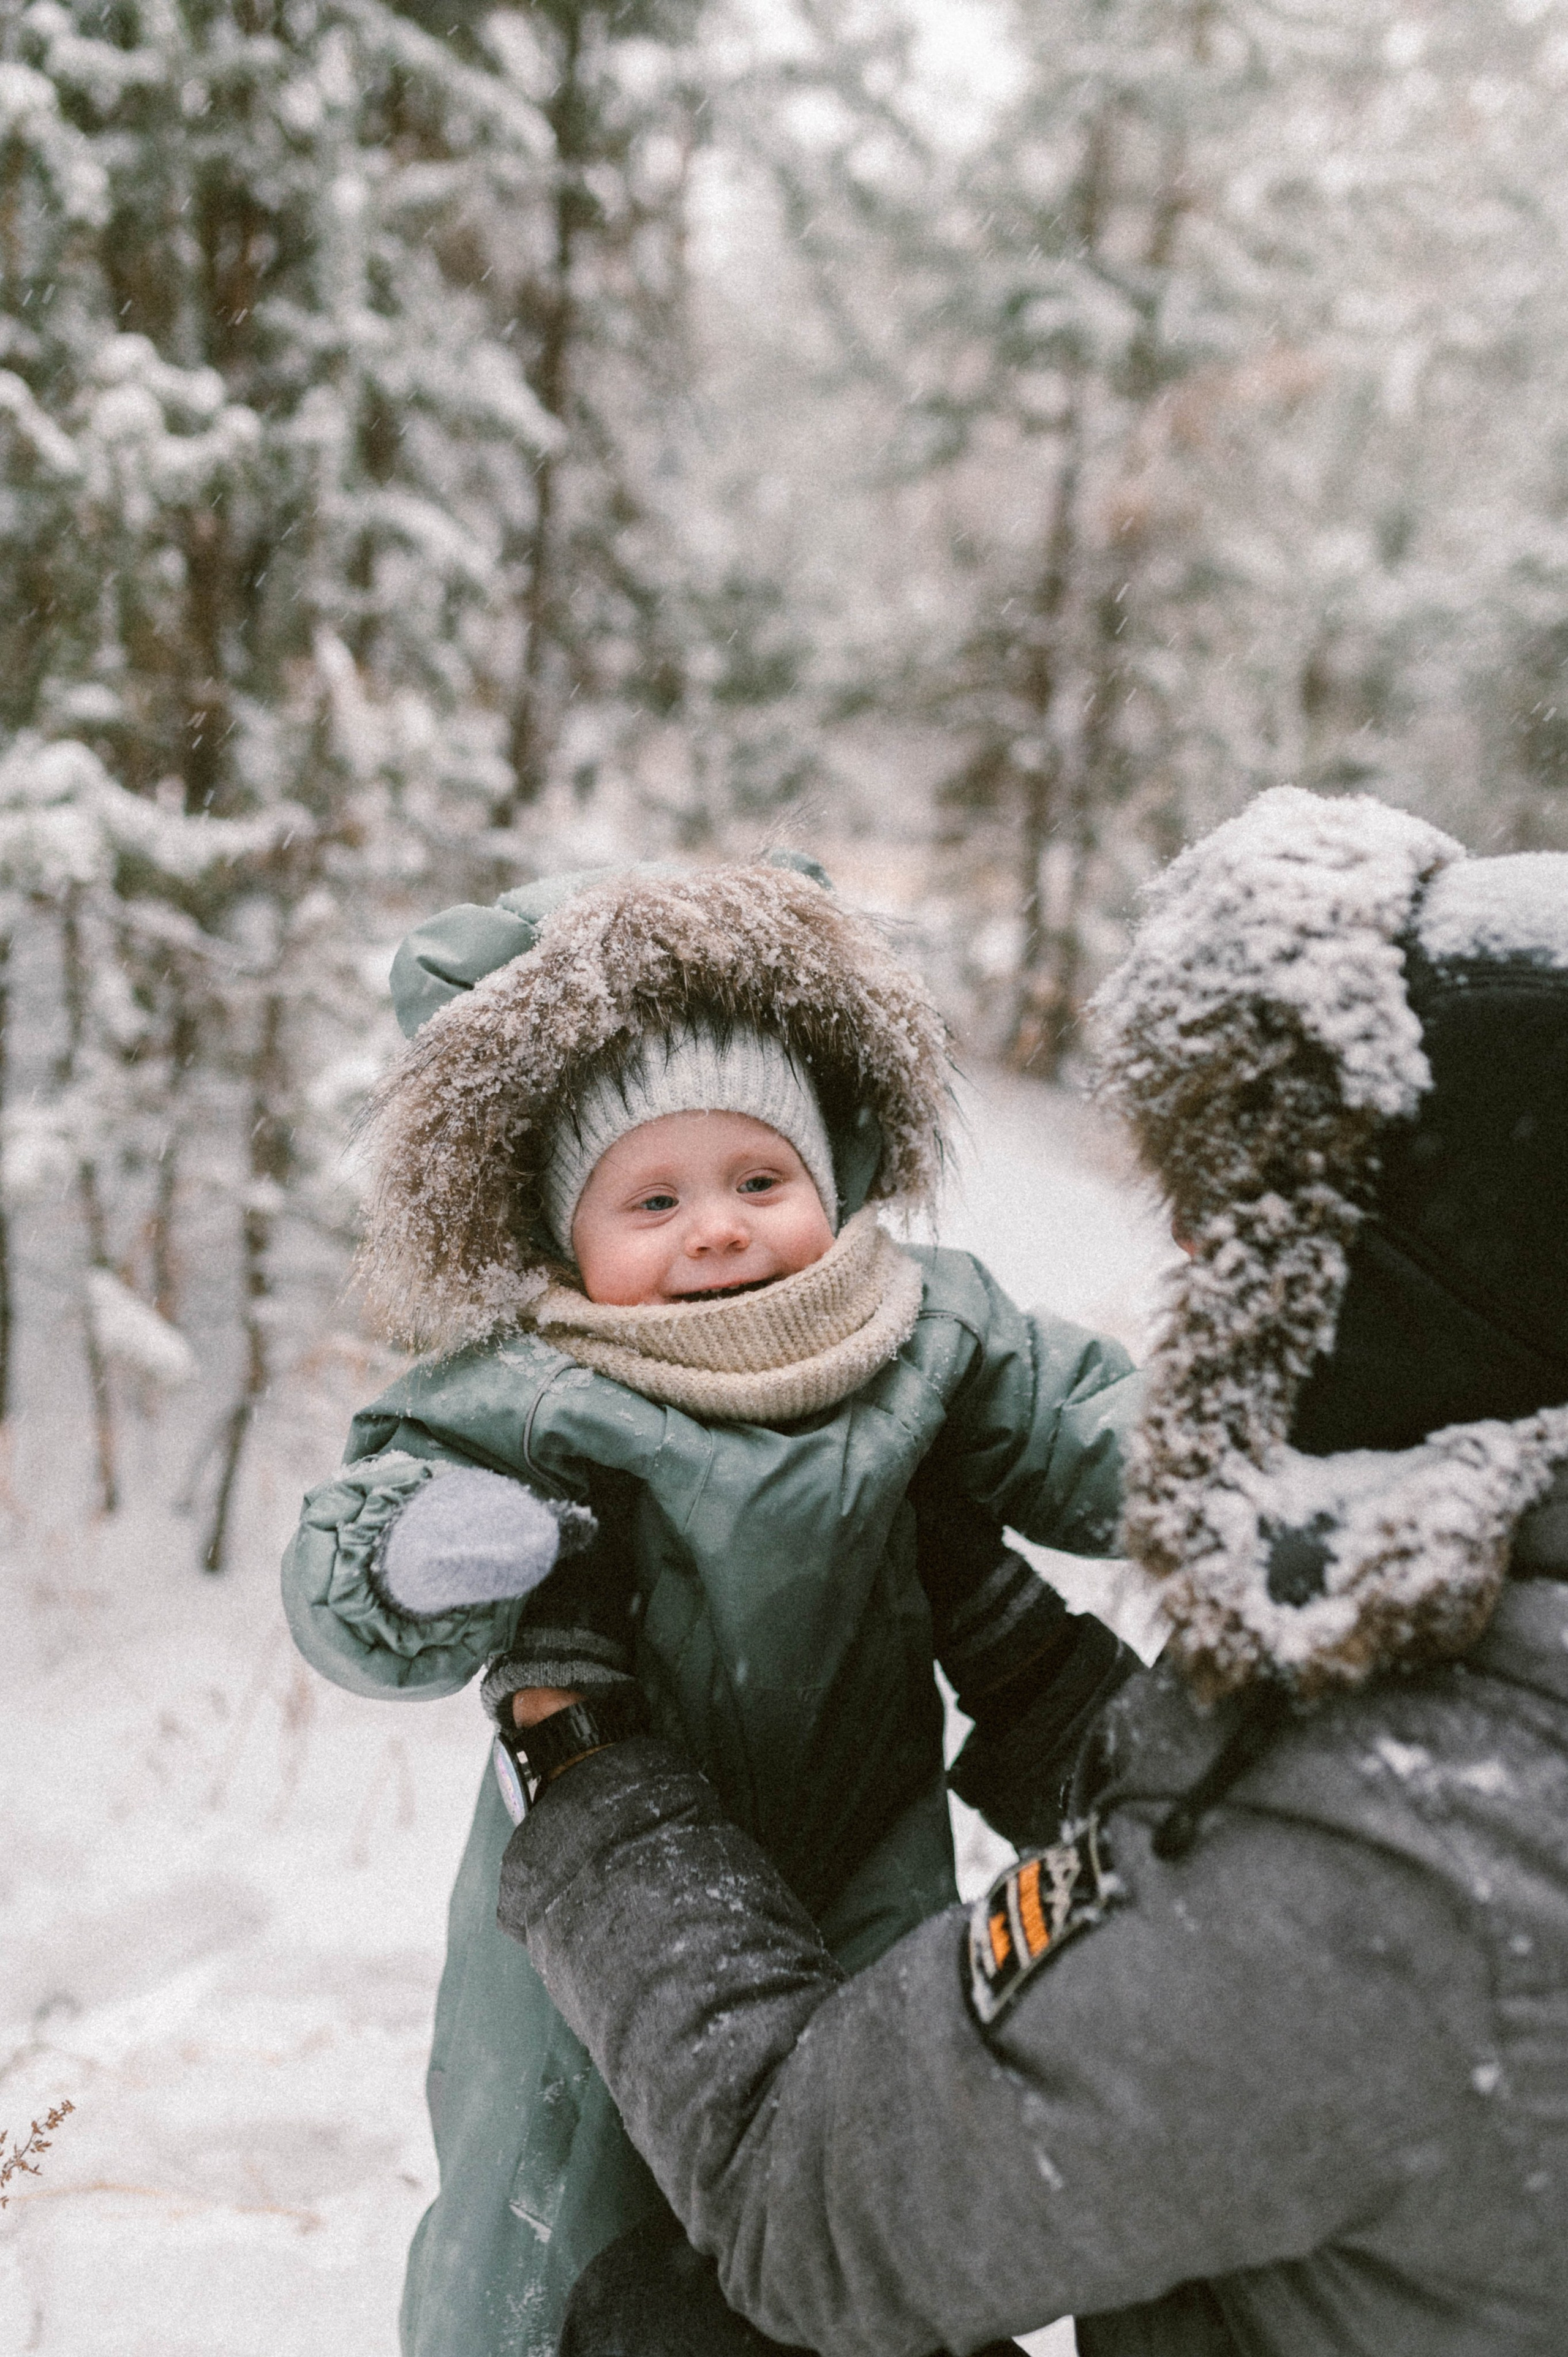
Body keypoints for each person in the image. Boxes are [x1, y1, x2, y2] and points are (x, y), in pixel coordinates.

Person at [496, 789, 1568, 2357]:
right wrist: (1028, 1667)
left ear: (1375, 1298)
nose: (1194, 1282)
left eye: (1240, 1240)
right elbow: (1320, 1830)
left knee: (668, 2330)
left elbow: (810, 2202)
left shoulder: (1364, 1907)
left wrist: (584, 1757)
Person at [282, 851, 1142, 2357]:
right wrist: (421, 1550)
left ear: (834, 1176)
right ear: (568, 1241)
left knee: (864, 2171)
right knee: (564, 2182)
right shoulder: (541, 1389)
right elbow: (352, 1553)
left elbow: (1088, 1429)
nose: (717, 1228)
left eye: (759, 1180)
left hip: (868, 1855)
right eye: (653, 1198)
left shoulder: (924, 1331)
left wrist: (1208, 1463)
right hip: (592, 1871)